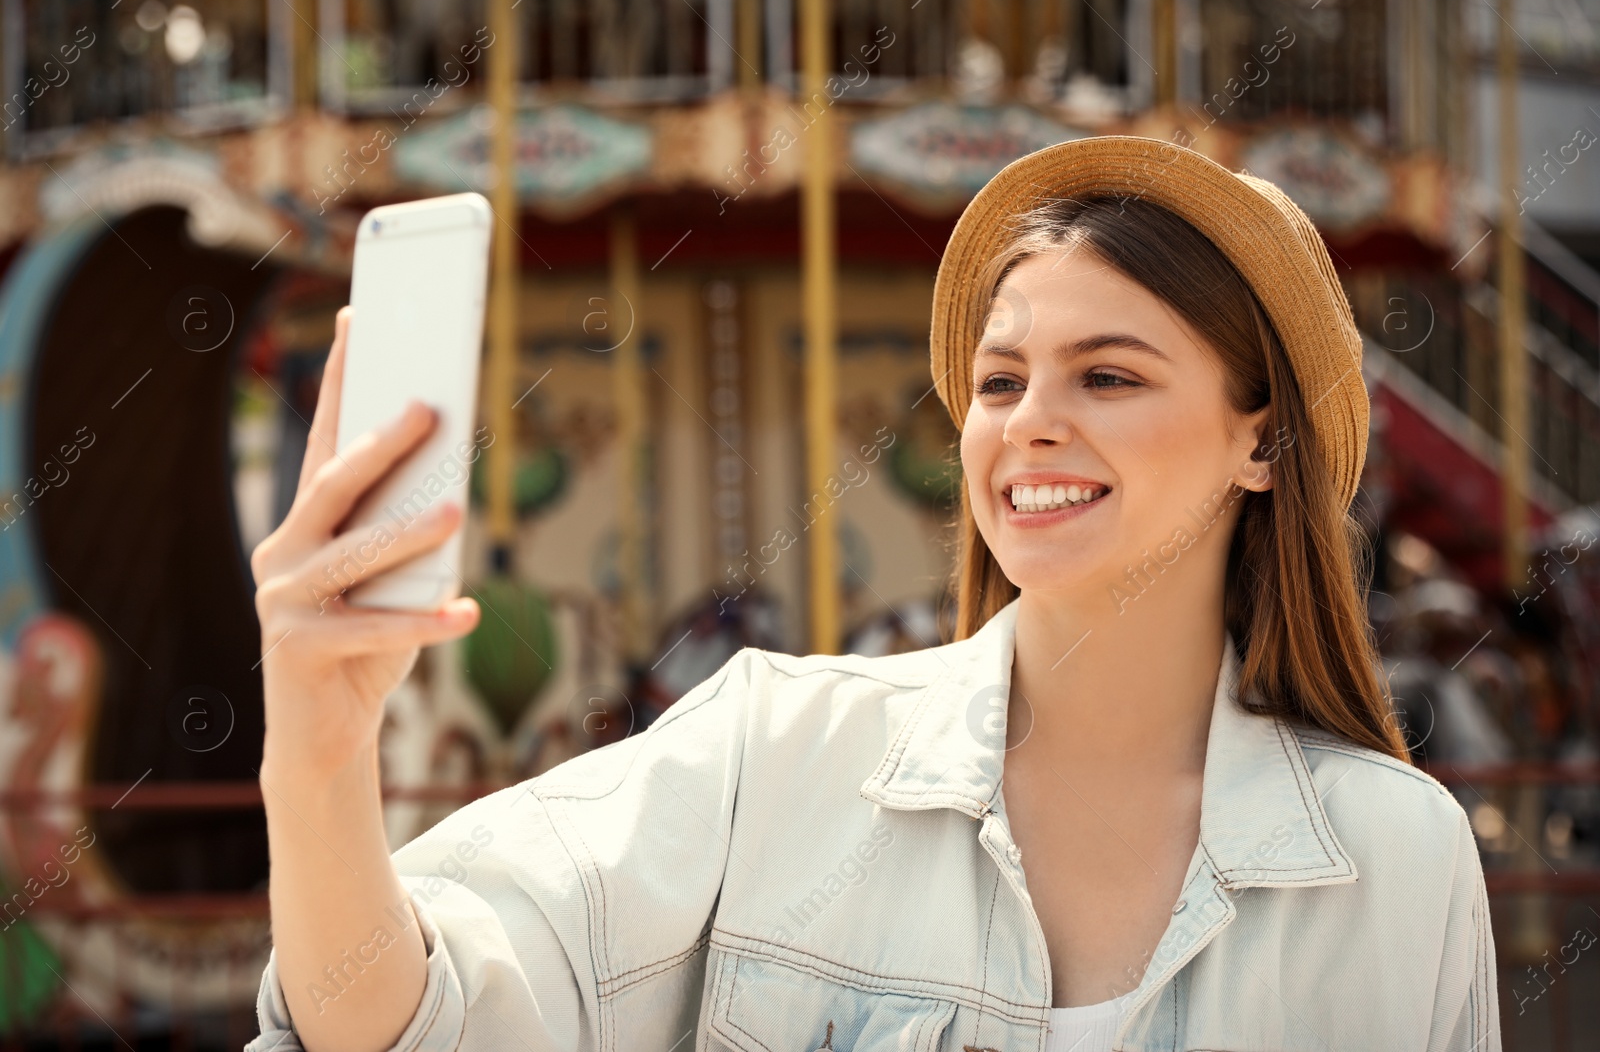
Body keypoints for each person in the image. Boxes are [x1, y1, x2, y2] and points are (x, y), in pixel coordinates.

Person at [245, 136, 1499, 1052]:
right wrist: (317, 745)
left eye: (1107, 377)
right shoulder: (773, 753)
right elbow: (403, 1016)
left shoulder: (1396, 857)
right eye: (1000, 383)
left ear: (1261, 443)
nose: (1032, 427)